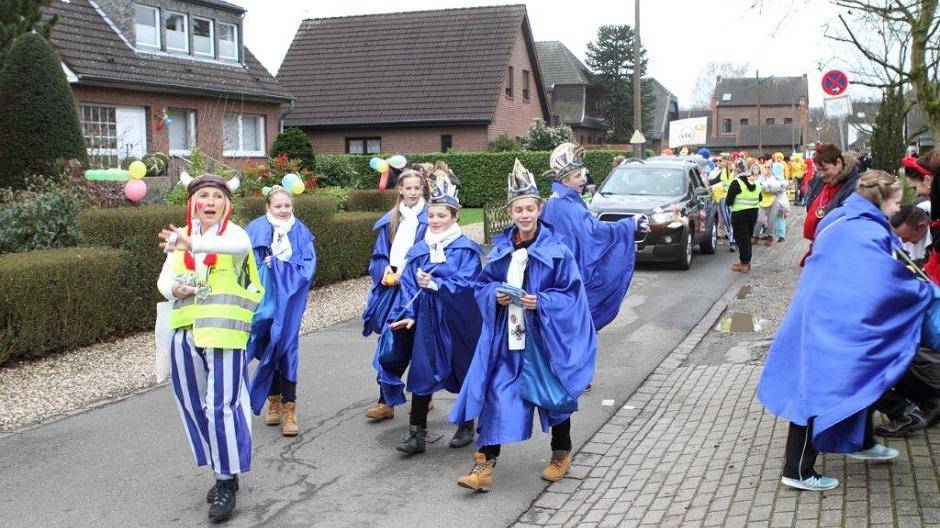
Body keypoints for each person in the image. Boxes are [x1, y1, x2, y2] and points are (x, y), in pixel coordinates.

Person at [757, 170, 934, 492]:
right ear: (882, 200)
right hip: (831, 322)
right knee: (815, 392)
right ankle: (797, 470)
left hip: (821, 313)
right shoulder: (868, 232)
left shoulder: (841, 219)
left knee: (858, 377)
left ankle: (860, 442)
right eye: (896, 201)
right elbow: (891, 277)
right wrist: (925, 292)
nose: (898, 209)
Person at [449, 159, 597, 492]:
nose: (525, 215)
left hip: (544, 340)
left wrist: (541, 301)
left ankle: (561, 453)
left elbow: (573, 294)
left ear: (539, 210)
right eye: (519, 210)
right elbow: (482, 285)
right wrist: (495, 295)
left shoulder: (557, 251)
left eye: (530, 209)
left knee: (552, 396)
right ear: (510, 212)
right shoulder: (501, 249)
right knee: (496, 393)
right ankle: (484, 466)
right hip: (508, 339)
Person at [157, 173, 264, 522]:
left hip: (223, 335)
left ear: (226, 204)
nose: (210, 202)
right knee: (193, 405)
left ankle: (225, 480)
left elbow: (241, 248)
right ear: (193, 203)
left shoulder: (233, 235)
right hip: (185, 334)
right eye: (203, 196)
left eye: (217, 197)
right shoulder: (180, 237)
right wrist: (175, 289)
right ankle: (222, 465)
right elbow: (164, 281)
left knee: (222, 406)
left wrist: (193, 244)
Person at [388, 165, 483, 454]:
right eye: (431, 215)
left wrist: (437, 285)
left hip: (458, 319)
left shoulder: (466, 249)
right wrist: (408, 314)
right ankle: (416, 433)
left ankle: (466, 424)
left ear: (455, 216)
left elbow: (470, 283)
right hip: (427, 320)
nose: (435, 220)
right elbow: (408, 285)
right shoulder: (420, 249)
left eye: (442, 215)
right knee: (422, 368)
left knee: (462, 367)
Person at [540, 142, 647, 332]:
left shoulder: (552, 203)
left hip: (553, 281)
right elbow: (595, 232)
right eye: (577, 176)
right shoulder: (571, 207)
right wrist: (631, 224)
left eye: (581, 173)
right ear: (565, 181)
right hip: (572, 282)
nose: (583, 178)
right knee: (575, 332)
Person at [245, 186, 317, 437]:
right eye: (278, 206)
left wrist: (277, 266)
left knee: (286, 350)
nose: (284, 210)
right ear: (268, 207)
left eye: (287, 205)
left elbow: (307, 268)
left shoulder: (301, 231)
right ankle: (272, 401)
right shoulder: (254, 229)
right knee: (267, 348)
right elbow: (244, 265)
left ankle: (289, 408)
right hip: (262, 304)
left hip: (288, 303)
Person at [362, 168, 428, 421]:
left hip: (419, 288)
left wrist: (408, 275)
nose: (413, 193)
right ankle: (385, 400)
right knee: (391, 341)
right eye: (408, 188)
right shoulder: (391, 221)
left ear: (423, 188)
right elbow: (379, 254)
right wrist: (385, 270)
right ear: (400, 189)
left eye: (417, 188)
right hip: (394, 289)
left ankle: (424, 396)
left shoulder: (430, 218)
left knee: (422, 342)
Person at [803, 143, 860, 245]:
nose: (821, 175)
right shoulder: (823, 180)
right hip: (819, 242)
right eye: (818, 170)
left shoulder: (854, 186)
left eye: (825, 169)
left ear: (838, 163)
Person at [725, 161, 762, 273]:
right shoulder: (756, 182)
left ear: (737, 172)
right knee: (747, 237)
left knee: (742, 239)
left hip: (739, 214)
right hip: (753, 213)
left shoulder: (736, 182)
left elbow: (729, 200)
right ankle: (746, 261)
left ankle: (744, 263)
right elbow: (760, 198)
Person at [708, 153, 737, 252]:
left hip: (734, 199)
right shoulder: (722, 172)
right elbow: (713, 181)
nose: (720, 163)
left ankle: (733, 241)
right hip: (724, 199)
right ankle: (733, 241)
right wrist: (704, 179)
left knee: (732, 220)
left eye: (722, 161)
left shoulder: (735, 172)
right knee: (728, 221)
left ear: (728, 161)